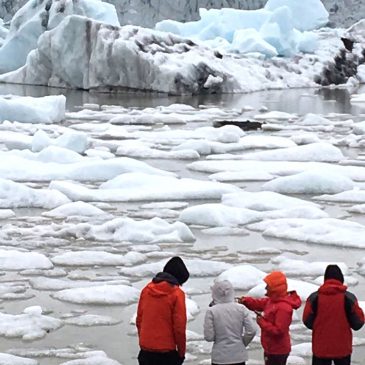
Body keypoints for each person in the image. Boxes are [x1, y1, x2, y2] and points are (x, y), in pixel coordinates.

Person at [303, 264, 364, 365]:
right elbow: (358, 323)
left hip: (320, 349)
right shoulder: (348, 298)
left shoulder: (314, 298)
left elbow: (307, 321)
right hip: (342, 349)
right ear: (341, 279)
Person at [239, 271, 301, 365]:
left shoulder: (283, 308)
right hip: (271, 348)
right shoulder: (273, 301)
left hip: (278, 350)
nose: (265, 288)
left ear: (275, 288)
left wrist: (262, 322)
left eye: (268, 286)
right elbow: (259, 303)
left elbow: (279, 331)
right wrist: (246, 301)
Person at [136, 256, 190, 365]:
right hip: (166, 353)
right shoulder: (177, 294)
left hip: (146, 351)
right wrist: (181, 353)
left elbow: (139, 320)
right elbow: (179, 327)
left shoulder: (146, 290)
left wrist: (145, 341)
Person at [204, 280, 257, 365]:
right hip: (239, 355)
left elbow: (209, 337)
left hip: (220, 357)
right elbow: (252, 330)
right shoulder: (241, 309)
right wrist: (242, 343)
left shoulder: (211, 311)